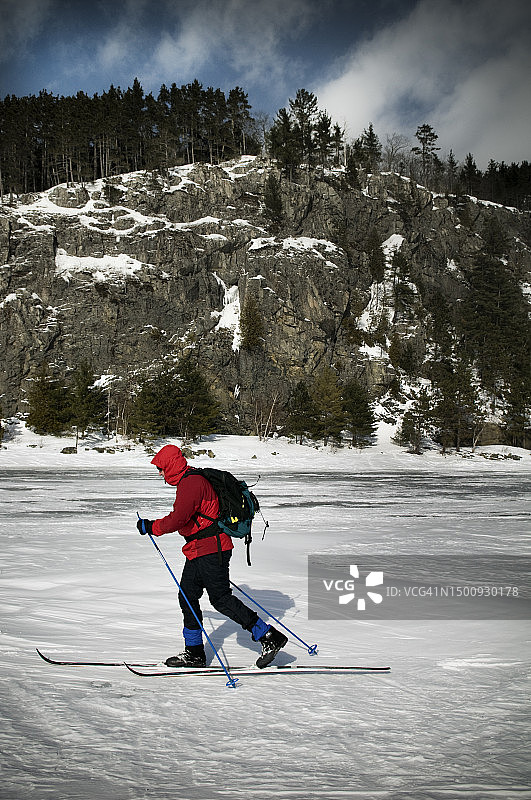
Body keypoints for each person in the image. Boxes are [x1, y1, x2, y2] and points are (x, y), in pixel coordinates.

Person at [136, 444, 288, 668]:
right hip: (199, 549)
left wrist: (152, 527)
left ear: (170, 465)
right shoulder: (189, 480)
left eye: (161, 468)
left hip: (211, 549)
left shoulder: (191, 483)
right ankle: (195, 652)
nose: (159, 473)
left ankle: (269, 637)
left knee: (220, 599)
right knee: (187, 596)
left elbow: (179, 518)